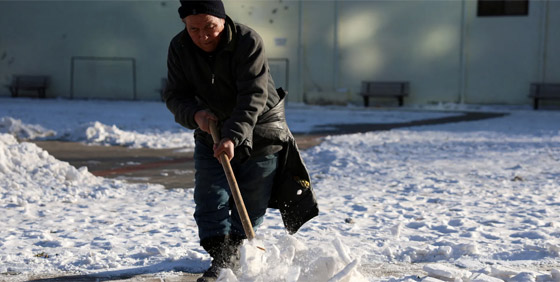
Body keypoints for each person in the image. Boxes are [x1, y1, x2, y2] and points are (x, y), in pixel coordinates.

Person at [163, 1, 318, 281]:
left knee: (250, 200)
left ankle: (235, 258)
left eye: (210, 26)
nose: (202, 35)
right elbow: (175, 95)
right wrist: (195, 114)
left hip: (262, 128)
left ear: (223, 20)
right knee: (210, 197)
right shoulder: (180, 47)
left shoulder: (247, 41)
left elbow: (253, 96)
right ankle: (222, 261)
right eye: (193, 28)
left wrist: (233, 136)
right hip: (210, 127)